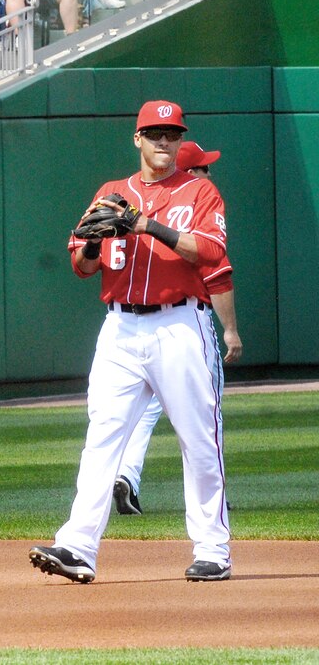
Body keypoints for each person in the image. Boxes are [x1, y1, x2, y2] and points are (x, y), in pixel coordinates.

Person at [29, 100, 237, 585]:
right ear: (137, 138)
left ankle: (213, 548)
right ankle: (78, 547)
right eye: (155, 132)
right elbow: (82, 265)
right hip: (120, 328)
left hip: (180, 324)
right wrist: (93, 244)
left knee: (199, 439)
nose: (165, 141)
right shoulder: (111, 192)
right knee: (102, 437)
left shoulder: (199, 190)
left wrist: (146, 225)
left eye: (173, 132)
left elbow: (210, 250)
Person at [113, 140, 243, 517]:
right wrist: (231, 330)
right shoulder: (194, 223)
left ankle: (126, 475)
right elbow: (218, 276)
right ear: (189, 172)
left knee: (142, 414)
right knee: (204, 420)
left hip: (133, 330)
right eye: (202, 167)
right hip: (184, 328)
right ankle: (213, 501)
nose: (207, 173)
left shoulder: (154, 213)